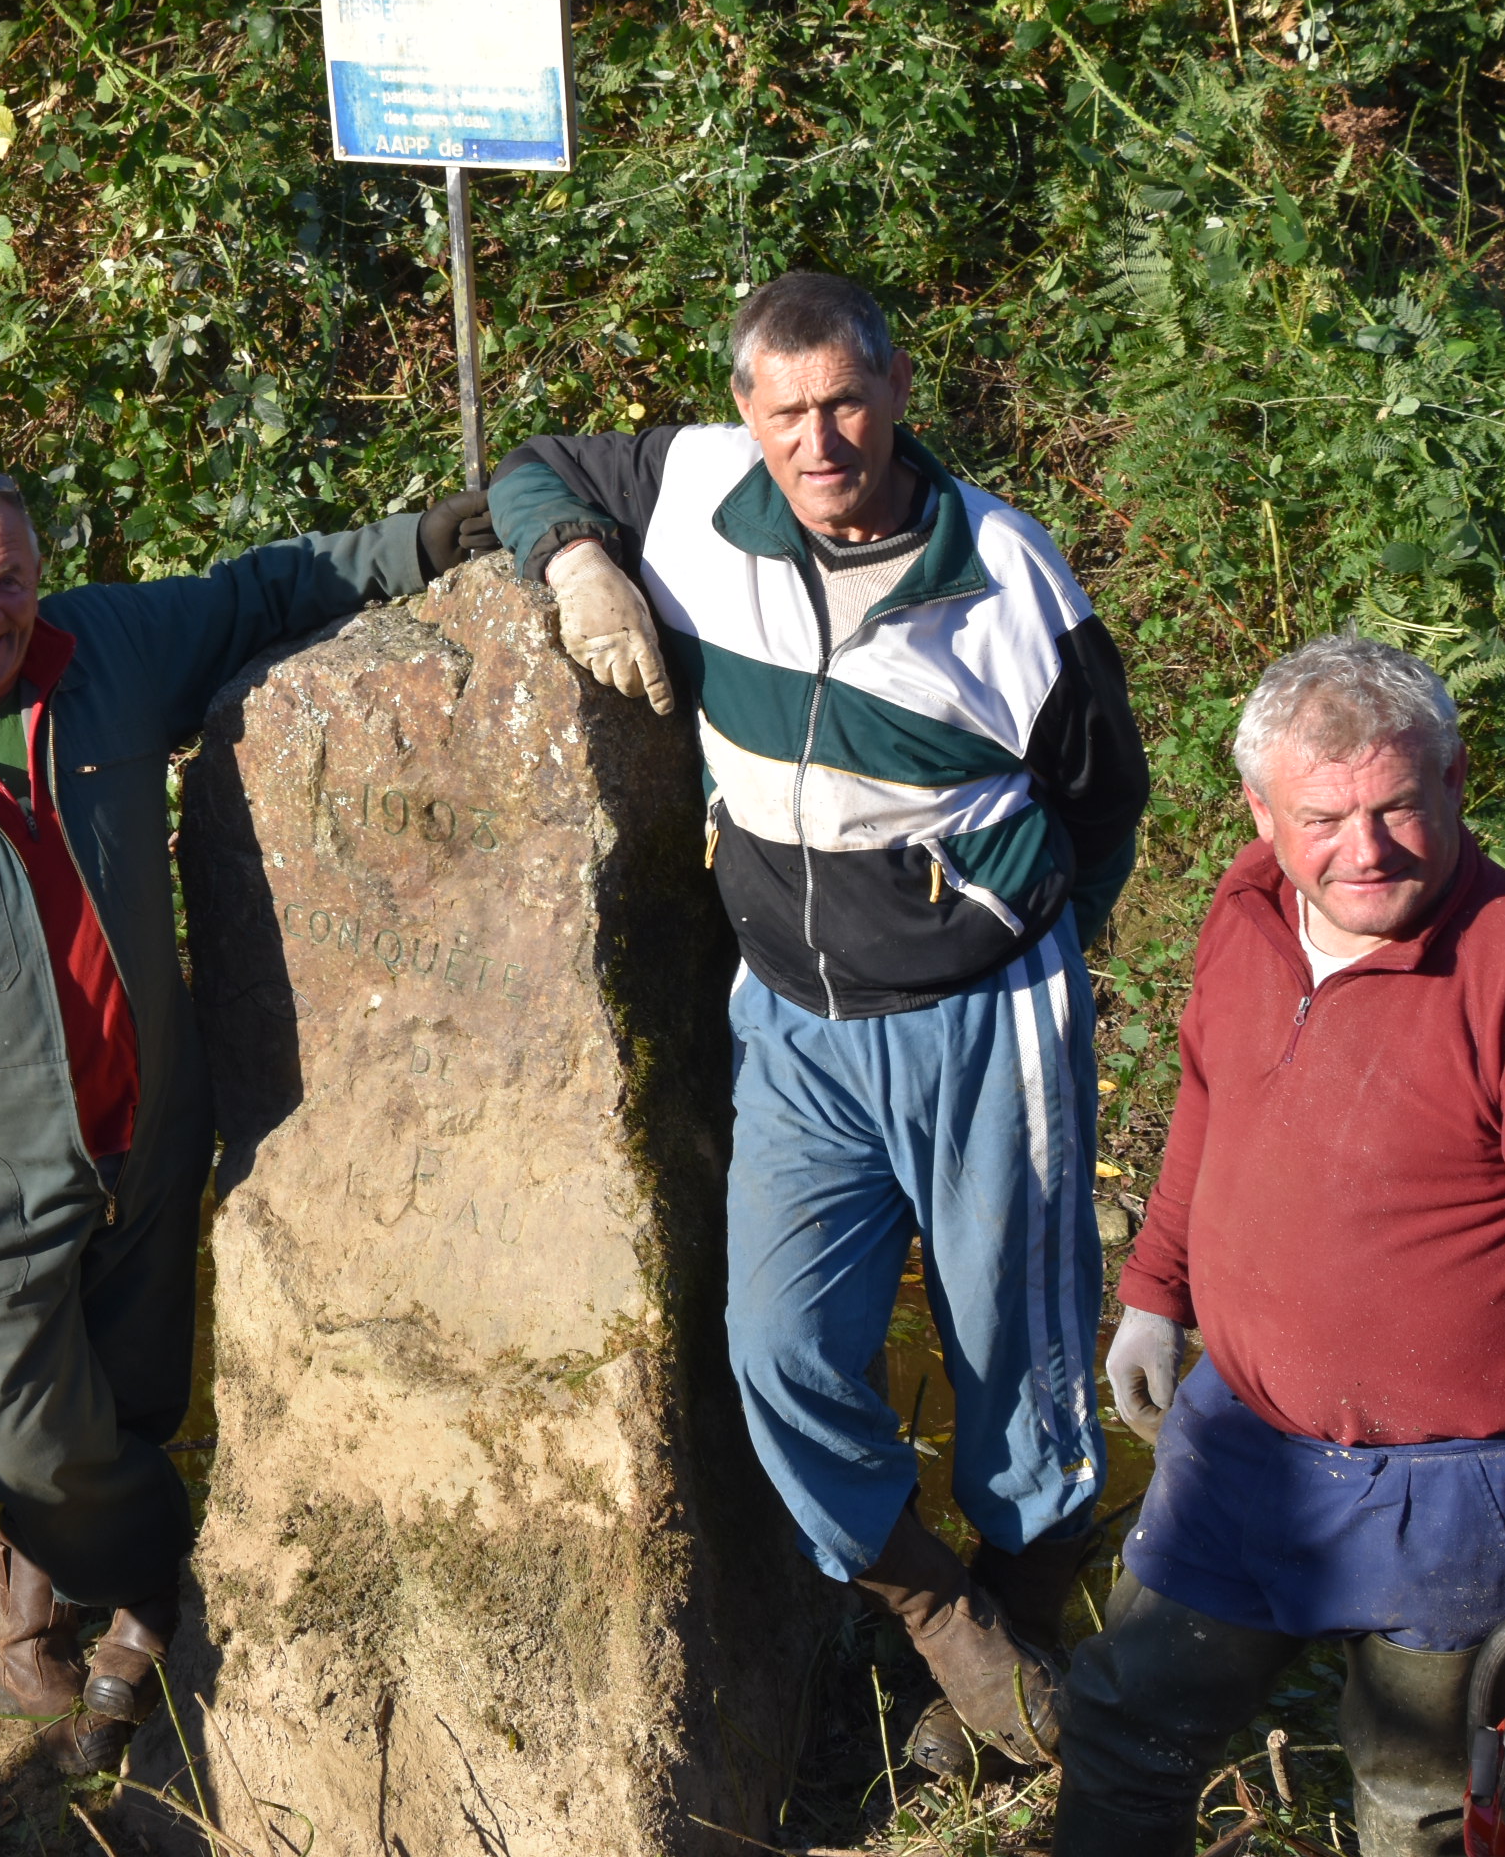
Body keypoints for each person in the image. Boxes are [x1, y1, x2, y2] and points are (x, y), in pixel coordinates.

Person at [483, 270, 1150, 1775]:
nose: (818, 439)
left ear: (897, 392)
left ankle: (1021, 1638)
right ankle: (936, 1615)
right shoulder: (700, 491)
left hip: (983, 1017)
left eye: (845, 402)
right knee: (779, 1348)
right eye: (785, 410)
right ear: (746, 409)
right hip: (790, 1019)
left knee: (1021, 1362)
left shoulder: (1005, 577)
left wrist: (1020, 938)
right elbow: (534, 468)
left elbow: (1102, 798)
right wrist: (580, 564)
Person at [0, 468, 492, 1771]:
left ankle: (74, 1631)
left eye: (10, 577)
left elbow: (260, 592)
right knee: (17, 1432)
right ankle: (183, 1579)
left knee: (132, 1397)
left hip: (150, 1132)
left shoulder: (107, 654)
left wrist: (419, 540)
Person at [1055, 635, 1505, 1857]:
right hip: (1240, 1447)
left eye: (1396, 806)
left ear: (1456, 780)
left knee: (1419, 1798)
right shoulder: (1247, 911)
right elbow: (1209, 1104)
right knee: (1125, 1727)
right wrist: (1156, 1286)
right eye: (1323, 818)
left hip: (1458, 1488)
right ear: (1261, 811)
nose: (1365, 849)